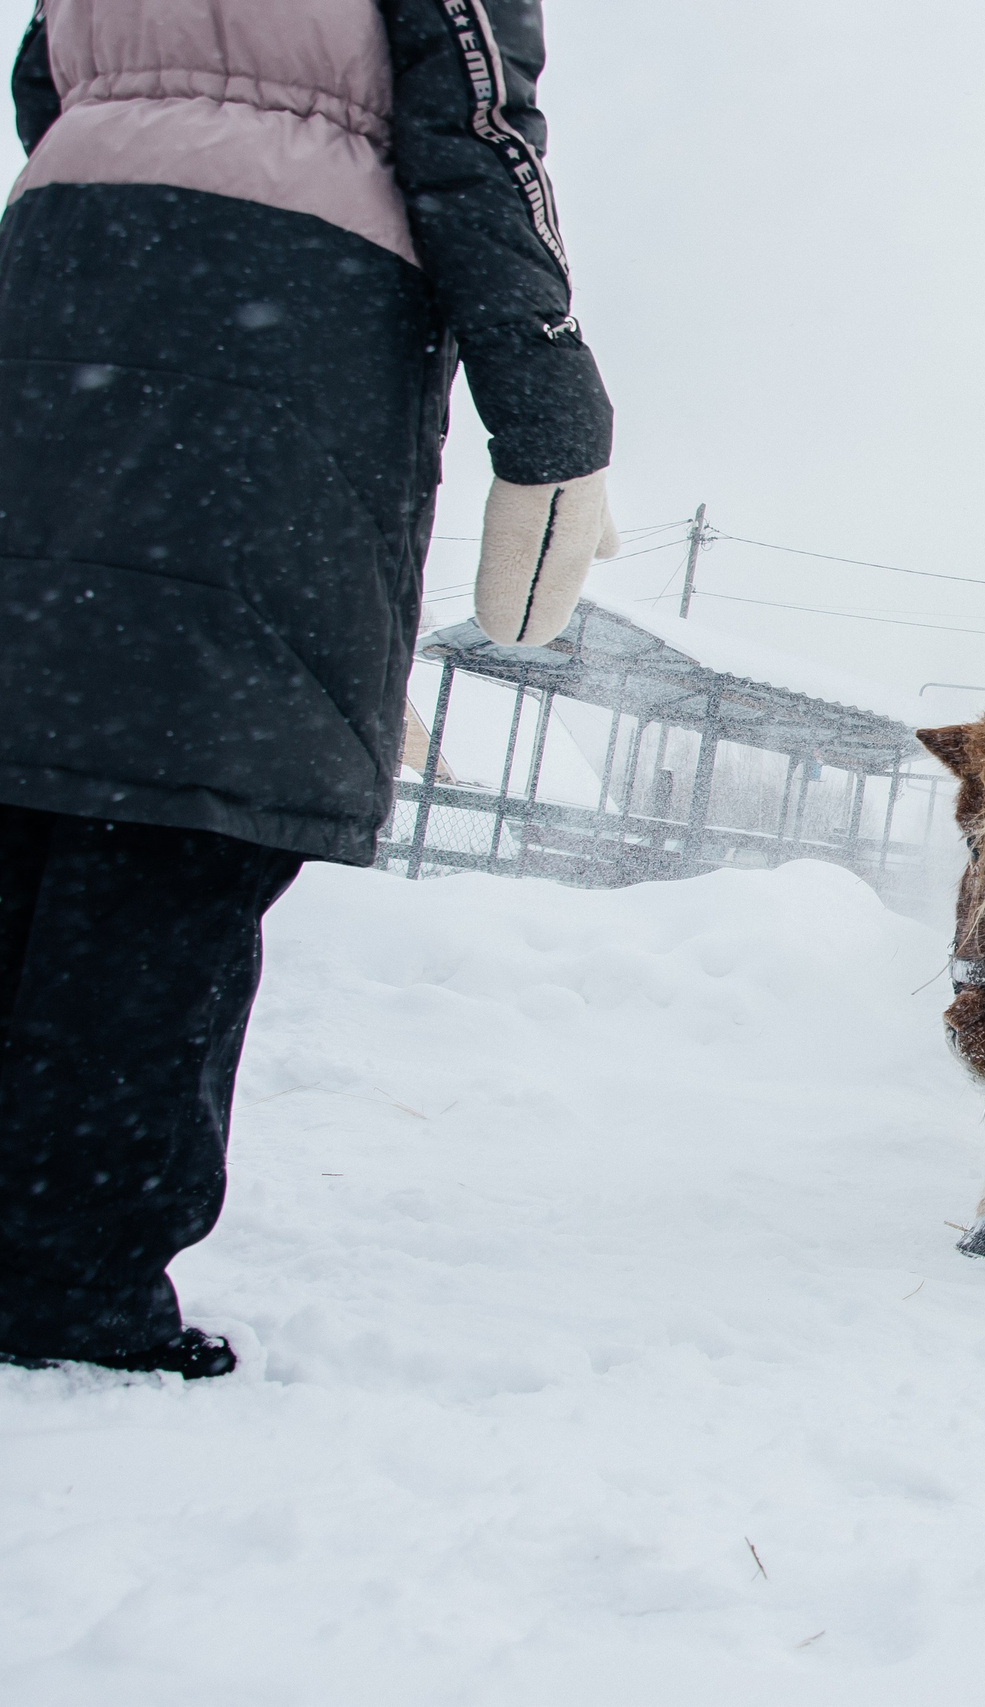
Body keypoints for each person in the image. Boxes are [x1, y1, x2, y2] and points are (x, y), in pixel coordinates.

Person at [0, 0, 616, 1378]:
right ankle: (66, 1280)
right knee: (181, 816)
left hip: (57, 288)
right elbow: (475, 136)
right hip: (283, 331)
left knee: (30, 779)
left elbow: (47, 74)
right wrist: (557, 417)